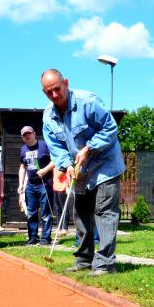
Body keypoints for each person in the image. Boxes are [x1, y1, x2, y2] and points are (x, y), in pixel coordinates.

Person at [41, 69, 125, 275]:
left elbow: (110, 128)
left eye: (57, 89)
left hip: (105, 165)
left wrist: (89, 148)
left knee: (104, 212)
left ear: (66, 83)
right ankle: (83, 260)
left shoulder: (88, 102)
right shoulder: (48, 117)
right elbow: (56, 147)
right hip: (79, 169)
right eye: (48, 92)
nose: (54, 95)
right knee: (81, 213)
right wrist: (66, 166)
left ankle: (105, 263)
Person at [17, 125, 55, 245]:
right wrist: (21, 184)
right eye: (24, 135)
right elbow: (22, 167)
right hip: (30, 185)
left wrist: (45, 170)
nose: (27, 136)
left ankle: (45, 238)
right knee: (31, 213)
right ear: (22, 137)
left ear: (34, 133)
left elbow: (55, 160)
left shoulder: (44, 145)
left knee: (45, 212)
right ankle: (33, 237)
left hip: (44, 184)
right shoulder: (23, 149)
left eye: (29, 133)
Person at [52, 168, 69, 236]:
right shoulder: (54, 162)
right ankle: (59, 228)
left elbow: (61, 173)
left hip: (63, 187)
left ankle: (65, 228)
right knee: (58, 208)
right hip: (56, 186)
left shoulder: (62, 162)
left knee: (64, 208)